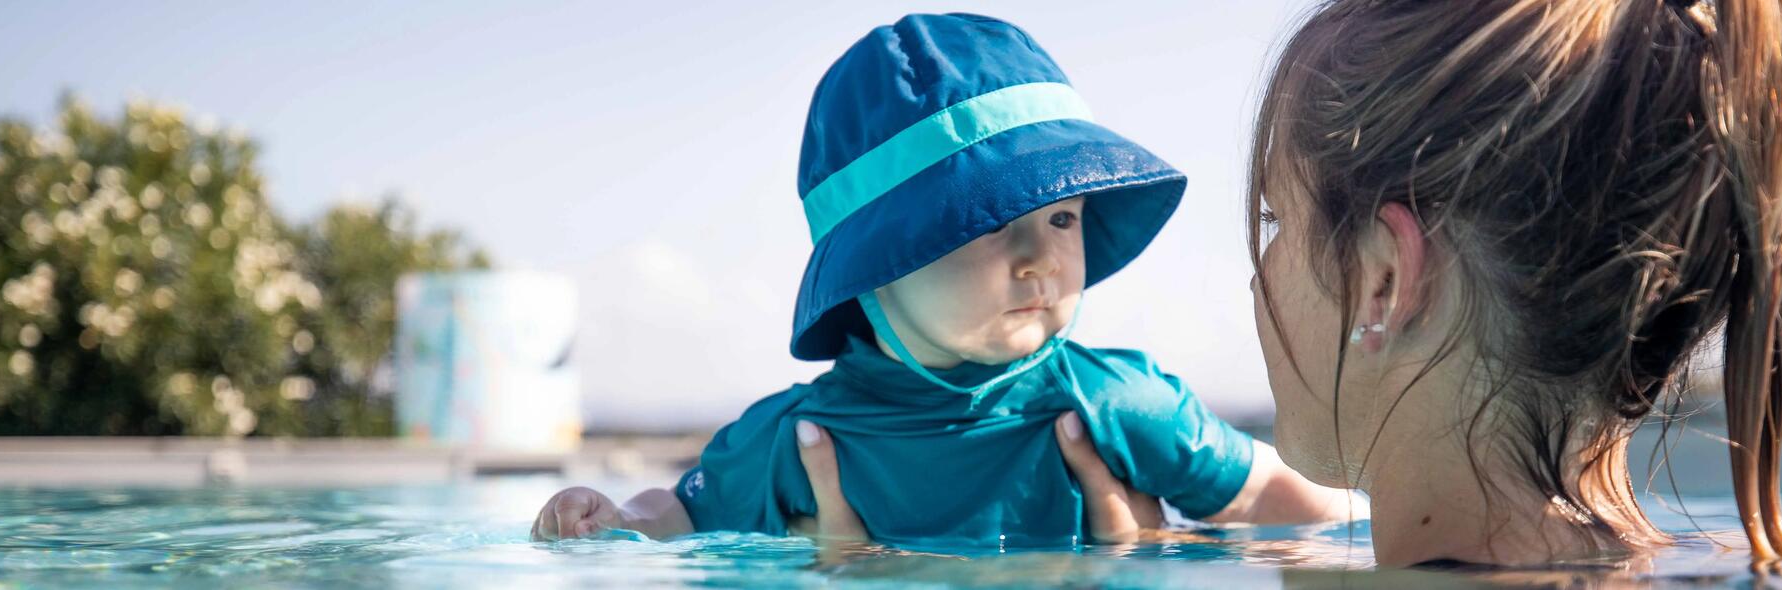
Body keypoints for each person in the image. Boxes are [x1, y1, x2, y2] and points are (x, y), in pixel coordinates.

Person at [532, 13, 1360, 548]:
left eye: (1063, 219)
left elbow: (1285, 500)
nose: (1042, 259)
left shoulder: (1114, 404)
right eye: (991, 224)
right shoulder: (800, 436)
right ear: (876, 266)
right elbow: (676, 517)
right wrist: (607, 520)